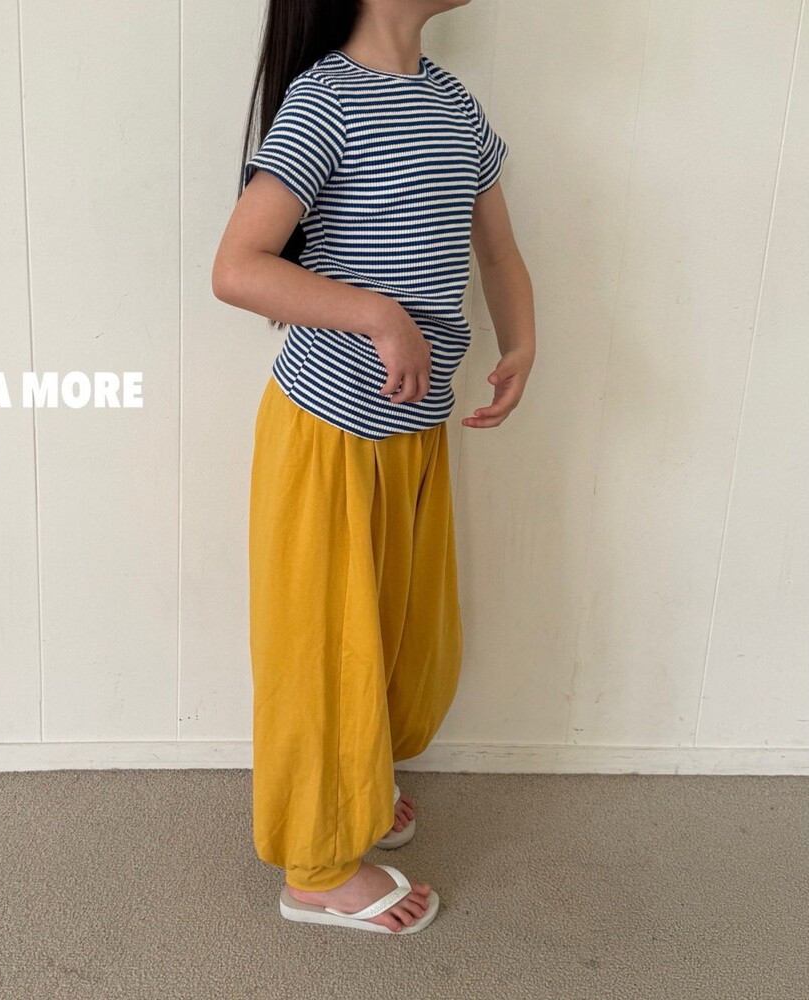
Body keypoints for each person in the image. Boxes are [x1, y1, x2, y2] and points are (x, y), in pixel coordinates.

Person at [211, 0, 536, 935]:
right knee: (324, 650)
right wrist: (378, 314)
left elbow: (497, 248)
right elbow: (238, 266)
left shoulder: (453, 104)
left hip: (412, 433)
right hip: (327, 437)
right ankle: (316, 871)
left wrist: (521, 341)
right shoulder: (326, 102)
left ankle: (359, 784)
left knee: (393, 635)